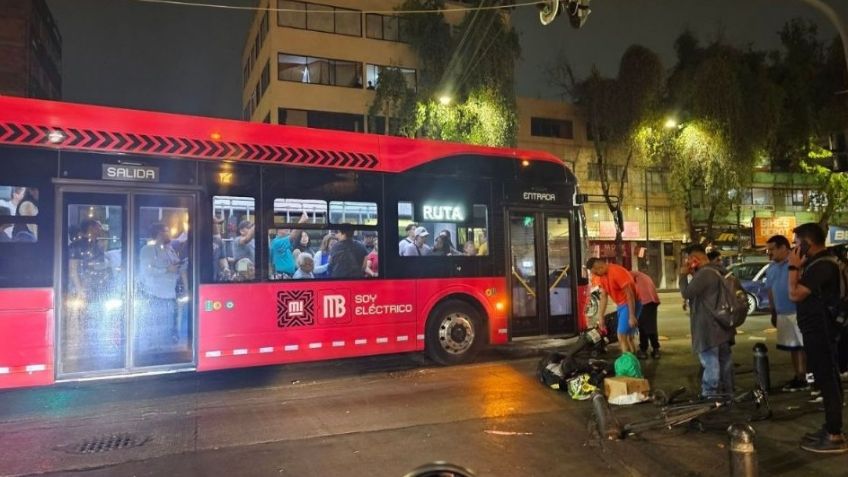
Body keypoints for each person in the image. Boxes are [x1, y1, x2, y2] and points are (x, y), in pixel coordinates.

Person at [787, 222, 847, 453]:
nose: (794, 247)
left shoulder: (823, 265)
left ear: (807, 243)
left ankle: (834, 435)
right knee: (826, 378)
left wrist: (793, 268)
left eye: (796, 243)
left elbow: (795, 294)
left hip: (821, 330)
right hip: (819, 329)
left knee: (828, 380)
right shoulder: (819, 262)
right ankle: (832, 429)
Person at [679, 245, 735, 400]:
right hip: (721, 324)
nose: (687, 262)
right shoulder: (716, 270)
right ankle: (727, 394)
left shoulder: (705, 274)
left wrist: (683, 276)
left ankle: (710, 395)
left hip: (708, 327)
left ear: (695, 259)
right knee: (725, 362)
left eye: (689, 259)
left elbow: (687, 293)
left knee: (710, 362)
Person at [765, 234, 808, 393]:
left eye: (772, 249)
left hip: (798, 311)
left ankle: (809, 377)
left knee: (804, 346)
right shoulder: (771, 268)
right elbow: (770, 291)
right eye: (768, 250)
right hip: (782, 312)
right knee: (792, 347)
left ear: (783, 248)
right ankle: (799, 376)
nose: (769, 253)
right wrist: (773, 311)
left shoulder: (797, 262)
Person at [138, 222, 186, 351]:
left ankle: (166, 350)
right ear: (159, 234)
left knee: (168, 326)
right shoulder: (147, 250)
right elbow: (146, 270)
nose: (169, 234)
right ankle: (153, 352)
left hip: (170, 293)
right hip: (156, 294)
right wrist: (166, 270)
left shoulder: (169, 249)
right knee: (156, 327)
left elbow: (174, 264)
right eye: (166, 231)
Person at [587, 257, 641, 354]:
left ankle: (626, 363)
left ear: (599, 267)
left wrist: (632, 316)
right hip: (621, 305)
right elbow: (604, 296)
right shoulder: (602, 277)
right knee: (628, 337)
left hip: (630, 303)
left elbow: (630, 294)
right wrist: (601, 317)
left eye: (594, 272)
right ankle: (632, 362)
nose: (594, 275)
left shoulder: (617, 272)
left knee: (621, 335)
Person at [632, 269, 661, 359]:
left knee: (643, 326)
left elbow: (632, 292)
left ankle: (644, 349)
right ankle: (655, 349)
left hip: (645, 301)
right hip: (652, 300)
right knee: (651, 325)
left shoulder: (630, 276)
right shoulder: (641, 276)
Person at [270, 211, 308, 278]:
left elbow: (295, 236)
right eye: (285, 227)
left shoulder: (285, 243)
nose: (288, 228)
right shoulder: (276, 242)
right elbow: (292, 236)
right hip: (281, 275)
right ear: (278, 230)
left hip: (288, 275)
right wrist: (301, 221)